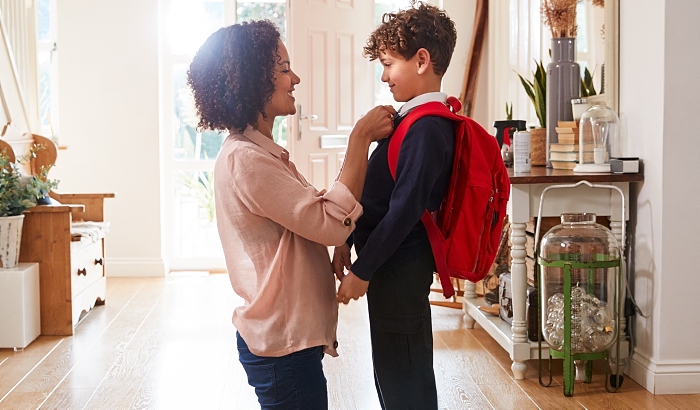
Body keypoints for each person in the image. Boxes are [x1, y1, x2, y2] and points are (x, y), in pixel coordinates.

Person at [187, 20, 396, 410]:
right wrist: (359, 139)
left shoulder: (259, 153)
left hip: (286, 342)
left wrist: (337, 239)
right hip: (283, 348)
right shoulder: (247, 161)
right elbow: (330, 223)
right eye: (283, 69)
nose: (294, 78)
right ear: (253, 82)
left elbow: (312, 217)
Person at [333, 2, 457, 409]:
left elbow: (404, 210)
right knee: (392, 366)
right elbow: (379, 195)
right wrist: (347, 243)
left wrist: (363, 270)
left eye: (388, 63)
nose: (383, 75)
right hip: (391, 267)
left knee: (405, 372)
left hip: (400, 267)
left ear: (421, 60)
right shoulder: (412, 121)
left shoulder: (427, 128)